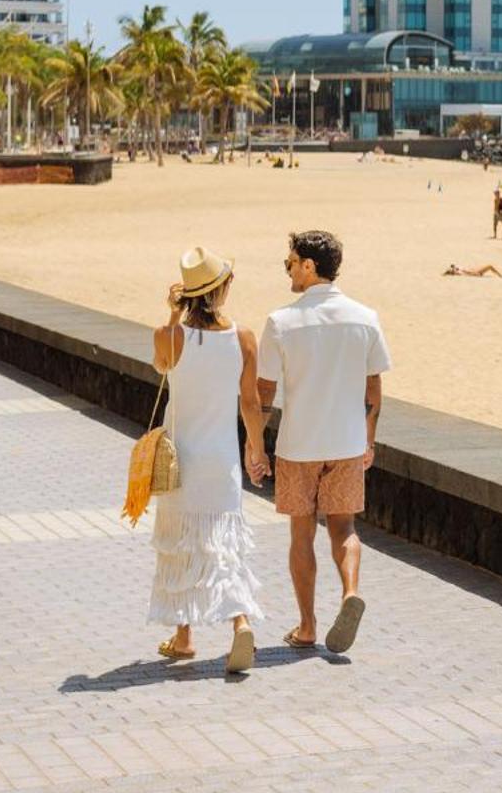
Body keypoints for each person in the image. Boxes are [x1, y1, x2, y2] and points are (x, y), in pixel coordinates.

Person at [258, 230, 391, 654]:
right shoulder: (365, 317)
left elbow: (264, 392)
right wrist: (368, 439)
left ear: (309, 266)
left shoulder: (282, 321)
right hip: (347, 443)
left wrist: (255, 445)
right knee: (344, 528)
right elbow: (373, 392)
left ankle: (308, 626)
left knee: (302, 535)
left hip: (299, 445)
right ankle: (350, 592)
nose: (289, 270)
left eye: (290, 263)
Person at [149, 247, 268, 673]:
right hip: (222, 459)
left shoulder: (170, 337)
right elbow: (250, 404)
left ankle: (184, 637)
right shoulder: (243, 338)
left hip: (181, 458)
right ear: (223, 289)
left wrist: (171, 317)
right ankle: (239, 623)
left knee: (181, 543)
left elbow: (163, 365)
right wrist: (257, 449)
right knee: (224, 546)